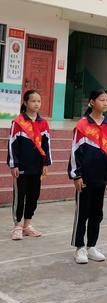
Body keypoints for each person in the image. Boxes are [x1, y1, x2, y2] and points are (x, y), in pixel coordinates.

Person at [69, 89, 107, 264]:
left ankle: (91, 246)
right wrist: (77, 175)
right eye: (101, 100)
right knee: (83, 213)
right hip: (85, 177)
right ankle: (79, 247)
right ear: (92, 102)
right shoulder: (82, 125)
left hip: (102, 176)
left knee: (97, 213)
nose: (105, 103)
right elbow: (75, 152)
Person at [7, 90, 52, 240]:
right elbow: (12, 144)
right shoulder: (18, 122)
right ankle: (17, 226)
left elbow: (47, 145)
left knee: (34, 196)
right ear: (25, 103)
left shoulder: (43, 123)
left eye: (39, 101)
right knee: (20, 196)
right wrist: (14, 165)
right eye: (33, 101)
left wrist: (45, 163)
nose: (36, 104)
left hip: (37, 167)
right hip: (22, 167)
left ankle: (28, 225)